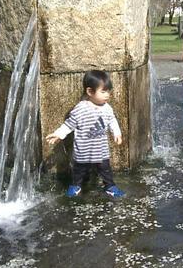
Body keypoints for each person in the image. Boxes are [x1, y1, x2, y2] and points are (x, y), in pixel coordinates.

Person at [45, 70, 125, 198]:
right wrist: (58, 134)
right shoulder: (81, 109)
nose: (107, 95)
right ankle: (76, 186)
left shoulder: (107, 108)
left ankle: (110, 187)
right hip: (83, 150)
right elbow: (69, 124)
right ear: (90, 92)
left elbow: (112, 120)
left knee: (105, 170)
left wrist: (117, 133)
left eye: (108, 91)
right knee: (79, 171)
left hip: (101, 150)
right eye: (103, 92)